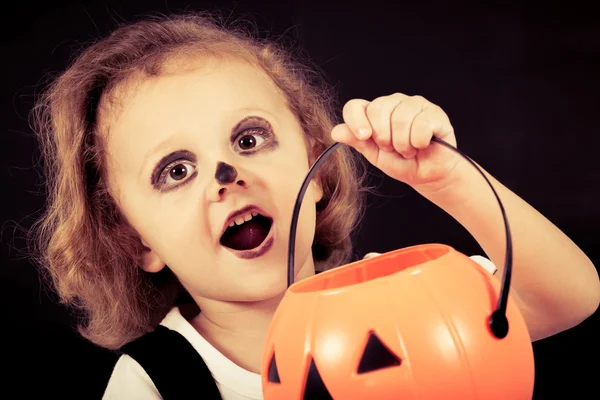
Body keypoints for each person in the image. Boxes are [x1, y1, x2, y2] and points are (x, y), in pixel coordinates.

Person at [28, 12, 599, 400]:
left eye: (249, 140)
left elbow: (567, 298)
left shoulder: (401, 301)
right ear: (138, 241)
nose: (228, 177)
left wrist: (449, 179)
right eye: (176, 171)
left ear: (316, 169)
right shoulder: (154, 381)